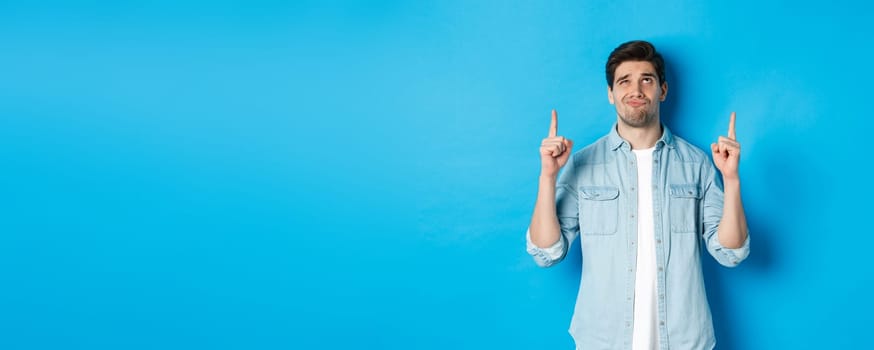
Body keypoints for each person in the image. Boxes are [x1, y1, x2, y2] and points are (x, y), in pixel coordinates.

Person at [526, 40, 750, 350]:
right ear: (610, 94)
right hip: (603, 342)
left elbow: (730, 252)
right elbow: (546, 252)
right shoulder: (584, 164)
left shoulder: (696, 163)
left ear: (663, 90)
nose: (636, 89)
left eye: (647, 79)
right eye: (624, 81)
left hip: (684, 341)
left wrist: (732, 179)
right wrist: (548, 176)